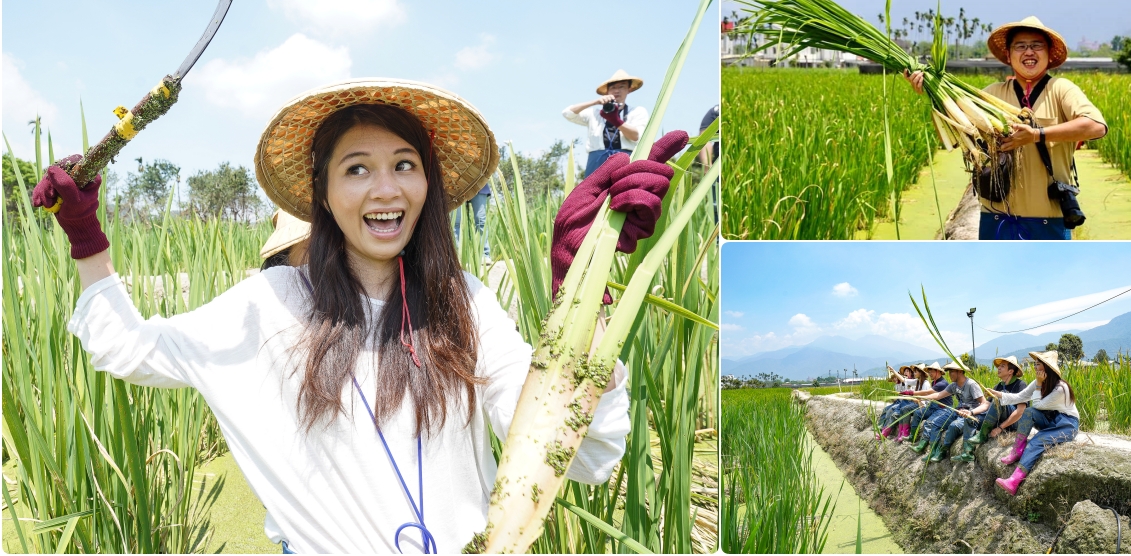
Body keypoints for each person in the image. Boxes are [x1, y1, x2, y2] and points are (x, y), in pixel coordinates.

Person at [34, 79, 685, 553]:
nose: (385, 188)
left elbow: (576, 450)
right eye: (357, 169)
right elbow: (126, 348)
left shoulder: (467, 304)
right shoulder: (270, 307)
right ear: (322, 193)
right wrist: (87, 239)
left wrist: (588, 294)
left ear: (427, 185)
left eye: (405, 165)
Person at [906, 17, 1108, 240]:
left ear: (1049, 54)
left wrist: (1036, 135)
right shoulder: (990, 95)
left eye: (1036, 45)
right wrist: (933, 95)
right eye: (1020, 46)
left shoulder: (1061, 90)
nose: (1029, 52)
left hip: (1049, 221)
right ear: (1009, 56)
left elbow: (1096, 126)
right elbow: (956, 138)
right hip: (996, 220)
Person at [989, 351, 1079, 495]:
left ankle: (1014, 481)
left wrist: (1038, 384)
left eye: (1038, 365)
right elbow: (1019, 397)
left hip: (1066, 425)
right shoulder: (1039, 383)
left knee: (1036, 442)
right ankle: (1017, 450)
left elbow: (1037, 404)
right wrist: (998, 394)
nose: (1035, 368)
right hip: (1050, 419)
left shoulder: (1060, 388)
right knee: (1028, 412)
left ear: (1047, 368)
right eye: (1035, 364)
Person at [563, 69, 651, 178]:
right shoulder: (595, 113)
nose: (617, 91)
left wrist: (616, 120)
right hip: (597, 160)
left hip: (626, 158)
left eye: (622, 86)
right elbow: (567, 113)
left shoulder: (637, 111)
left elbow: (636, 136)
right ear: (607, 91)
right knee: (592, 193)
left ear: (629, 89)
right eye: (613, 87)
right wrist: (596, 102)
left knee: (625, 192)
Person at [952, 355, 1028, 463]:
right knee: (971, 418)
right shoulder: (998, 386)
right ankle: (968, 452)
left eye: (1002, 366)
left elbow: (1020, 412)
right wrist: (971, 412)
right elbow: (986, 404)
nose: (999, 368)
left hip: (1015, 422)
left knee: (1002, 397)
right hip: (999, 418)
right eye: (999, 366)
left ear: (1011, 371)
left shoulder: (1021, 385)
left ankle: (983, 434)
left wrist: (1000, 428)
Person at [925, 361, 986, 462]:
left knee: (954, 426)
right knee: (936, 423)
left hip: (968, 414)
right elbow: (939, 395)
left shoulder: (971, 385)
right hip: (957, 411)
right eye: (948, 372)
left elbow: (984, 403)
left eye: (951, 372)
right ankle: (932, 450)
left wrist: (971, 412)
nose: (949, 375)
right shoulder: (953, 385)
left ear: (960, 372)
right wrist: (919, 396)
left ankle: (942, 451)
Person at [906, 361, 954, 452]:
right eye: (929, 371)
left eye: (932, 371)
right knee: (917, 413)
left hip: (943, 408)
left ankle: (922, 445)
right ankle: (912, 436)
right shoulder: (934, 382)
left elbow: (928, 392)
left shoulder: (942, 384)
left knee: (929, 422)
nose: (930, 373)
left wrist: (912, 393)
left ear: (938, 372)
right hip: (933, 406)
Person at [891, 363, 931, 443]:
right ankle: (900, 433)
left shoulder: (926, 383)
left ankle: (905, 433)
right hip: (917, 403)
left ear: (921, 373)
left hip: (923, 405)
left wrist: (912, 396)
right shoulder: (917, 381)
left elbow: (924, 399)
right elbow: (904, 380)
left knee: (906, 409)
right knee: (902, 409)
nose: (914, 373)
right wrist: (894, 372)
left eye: (916, 372)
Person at [876, 365, 916, 440]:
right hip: (903, 402)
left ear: (911, 373)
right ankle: (884, 430)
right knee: (891, 412)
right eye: (904, 372)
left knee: (894, 413)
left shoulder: (914, 382)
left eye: (907, 371)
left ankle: (886, 432)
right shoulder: (905, 382)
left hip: (910, 403)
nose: (905, 373)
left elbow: (913, 394)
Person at [453, 183, 490, 260]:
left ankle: (484, 254)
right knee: (456, 222)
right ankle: (458, 256)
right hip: (455, 184)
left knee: (480, 220)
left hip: (479, 183)